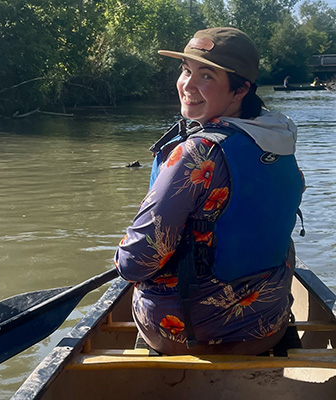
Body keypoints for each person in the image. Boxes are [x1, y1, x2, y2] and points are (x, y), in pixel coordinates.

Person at [114, 27, 304, 355]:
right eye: (186, 71)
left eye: (206, 76)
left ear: (240, 89)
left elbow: (135, 264)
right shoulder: (280, 139)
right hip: (266, 325)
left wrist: (121, 257)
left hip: (188, 335)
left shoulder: (197, 154)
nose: (187, 85)